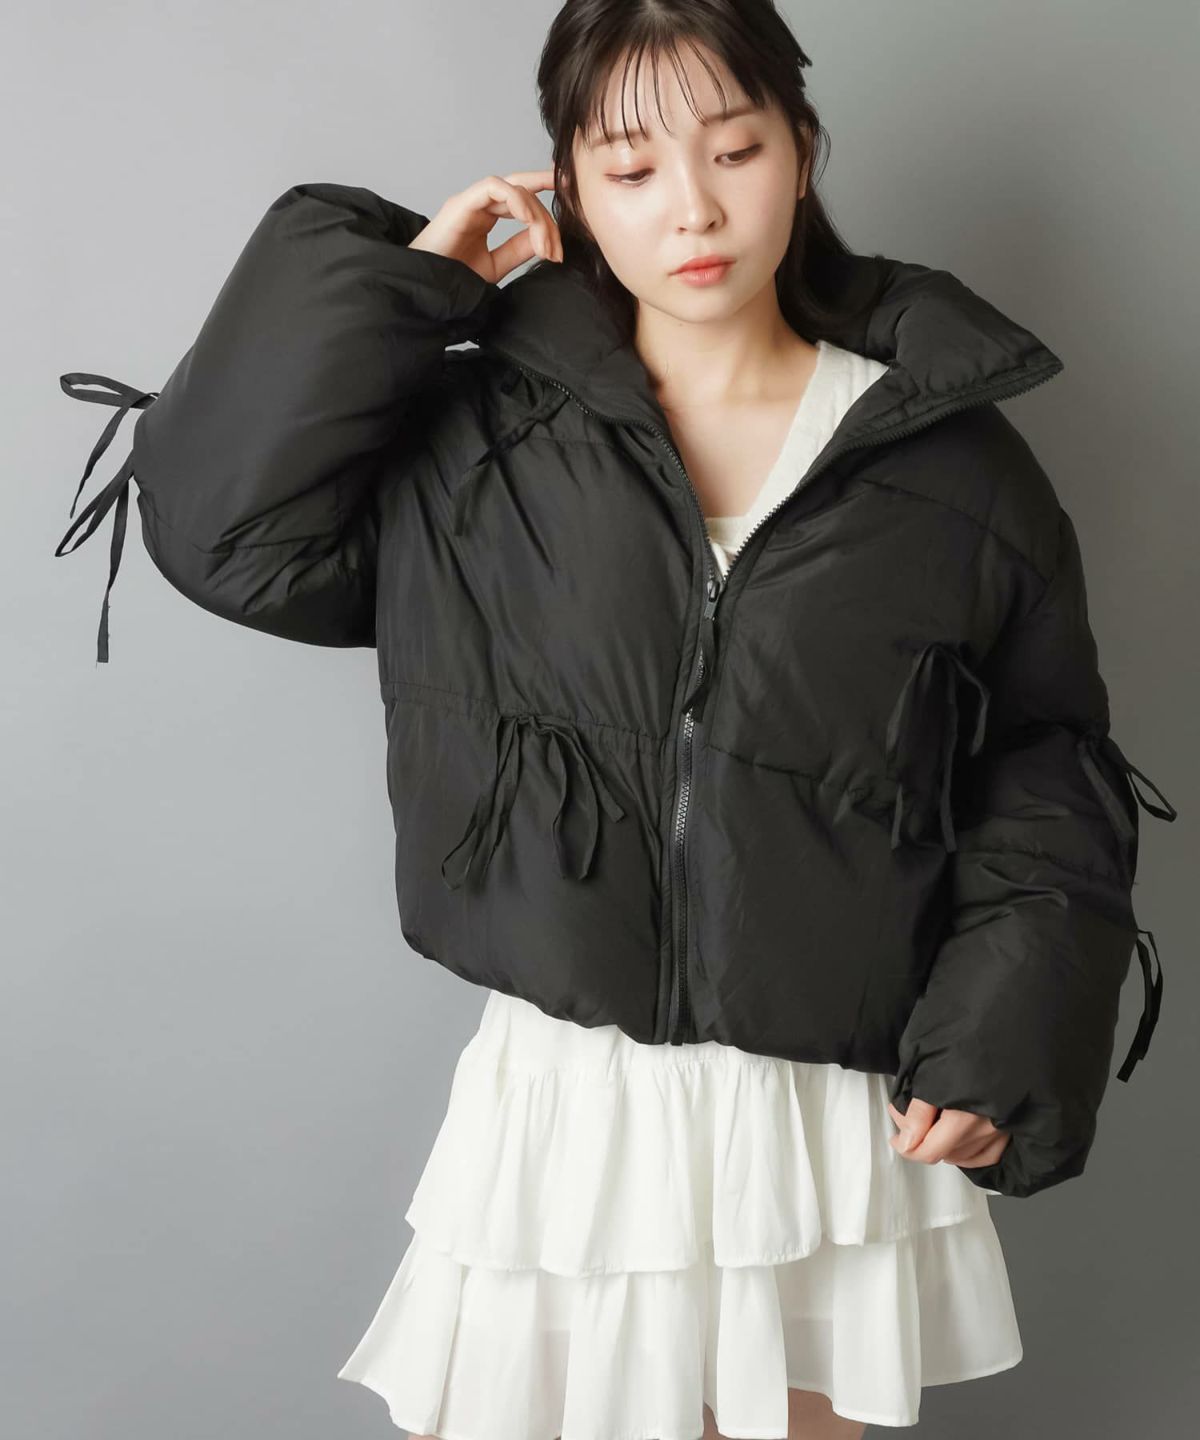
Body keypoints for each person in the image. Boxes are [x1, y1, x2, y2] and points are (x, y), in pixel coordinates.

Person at [53, 2, 1177, 1437]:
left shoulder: (949, 462)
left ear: (802, 150)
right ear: (570, 189)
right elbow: (225, 532)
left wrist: (1006, 1024)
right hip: (570, 1107)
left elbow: (1044, 762)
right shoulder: (482, 439)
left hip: (821, 1118)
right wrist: (407, 289)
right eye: (632, 168)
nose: (692, 208)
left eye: (736, 151)